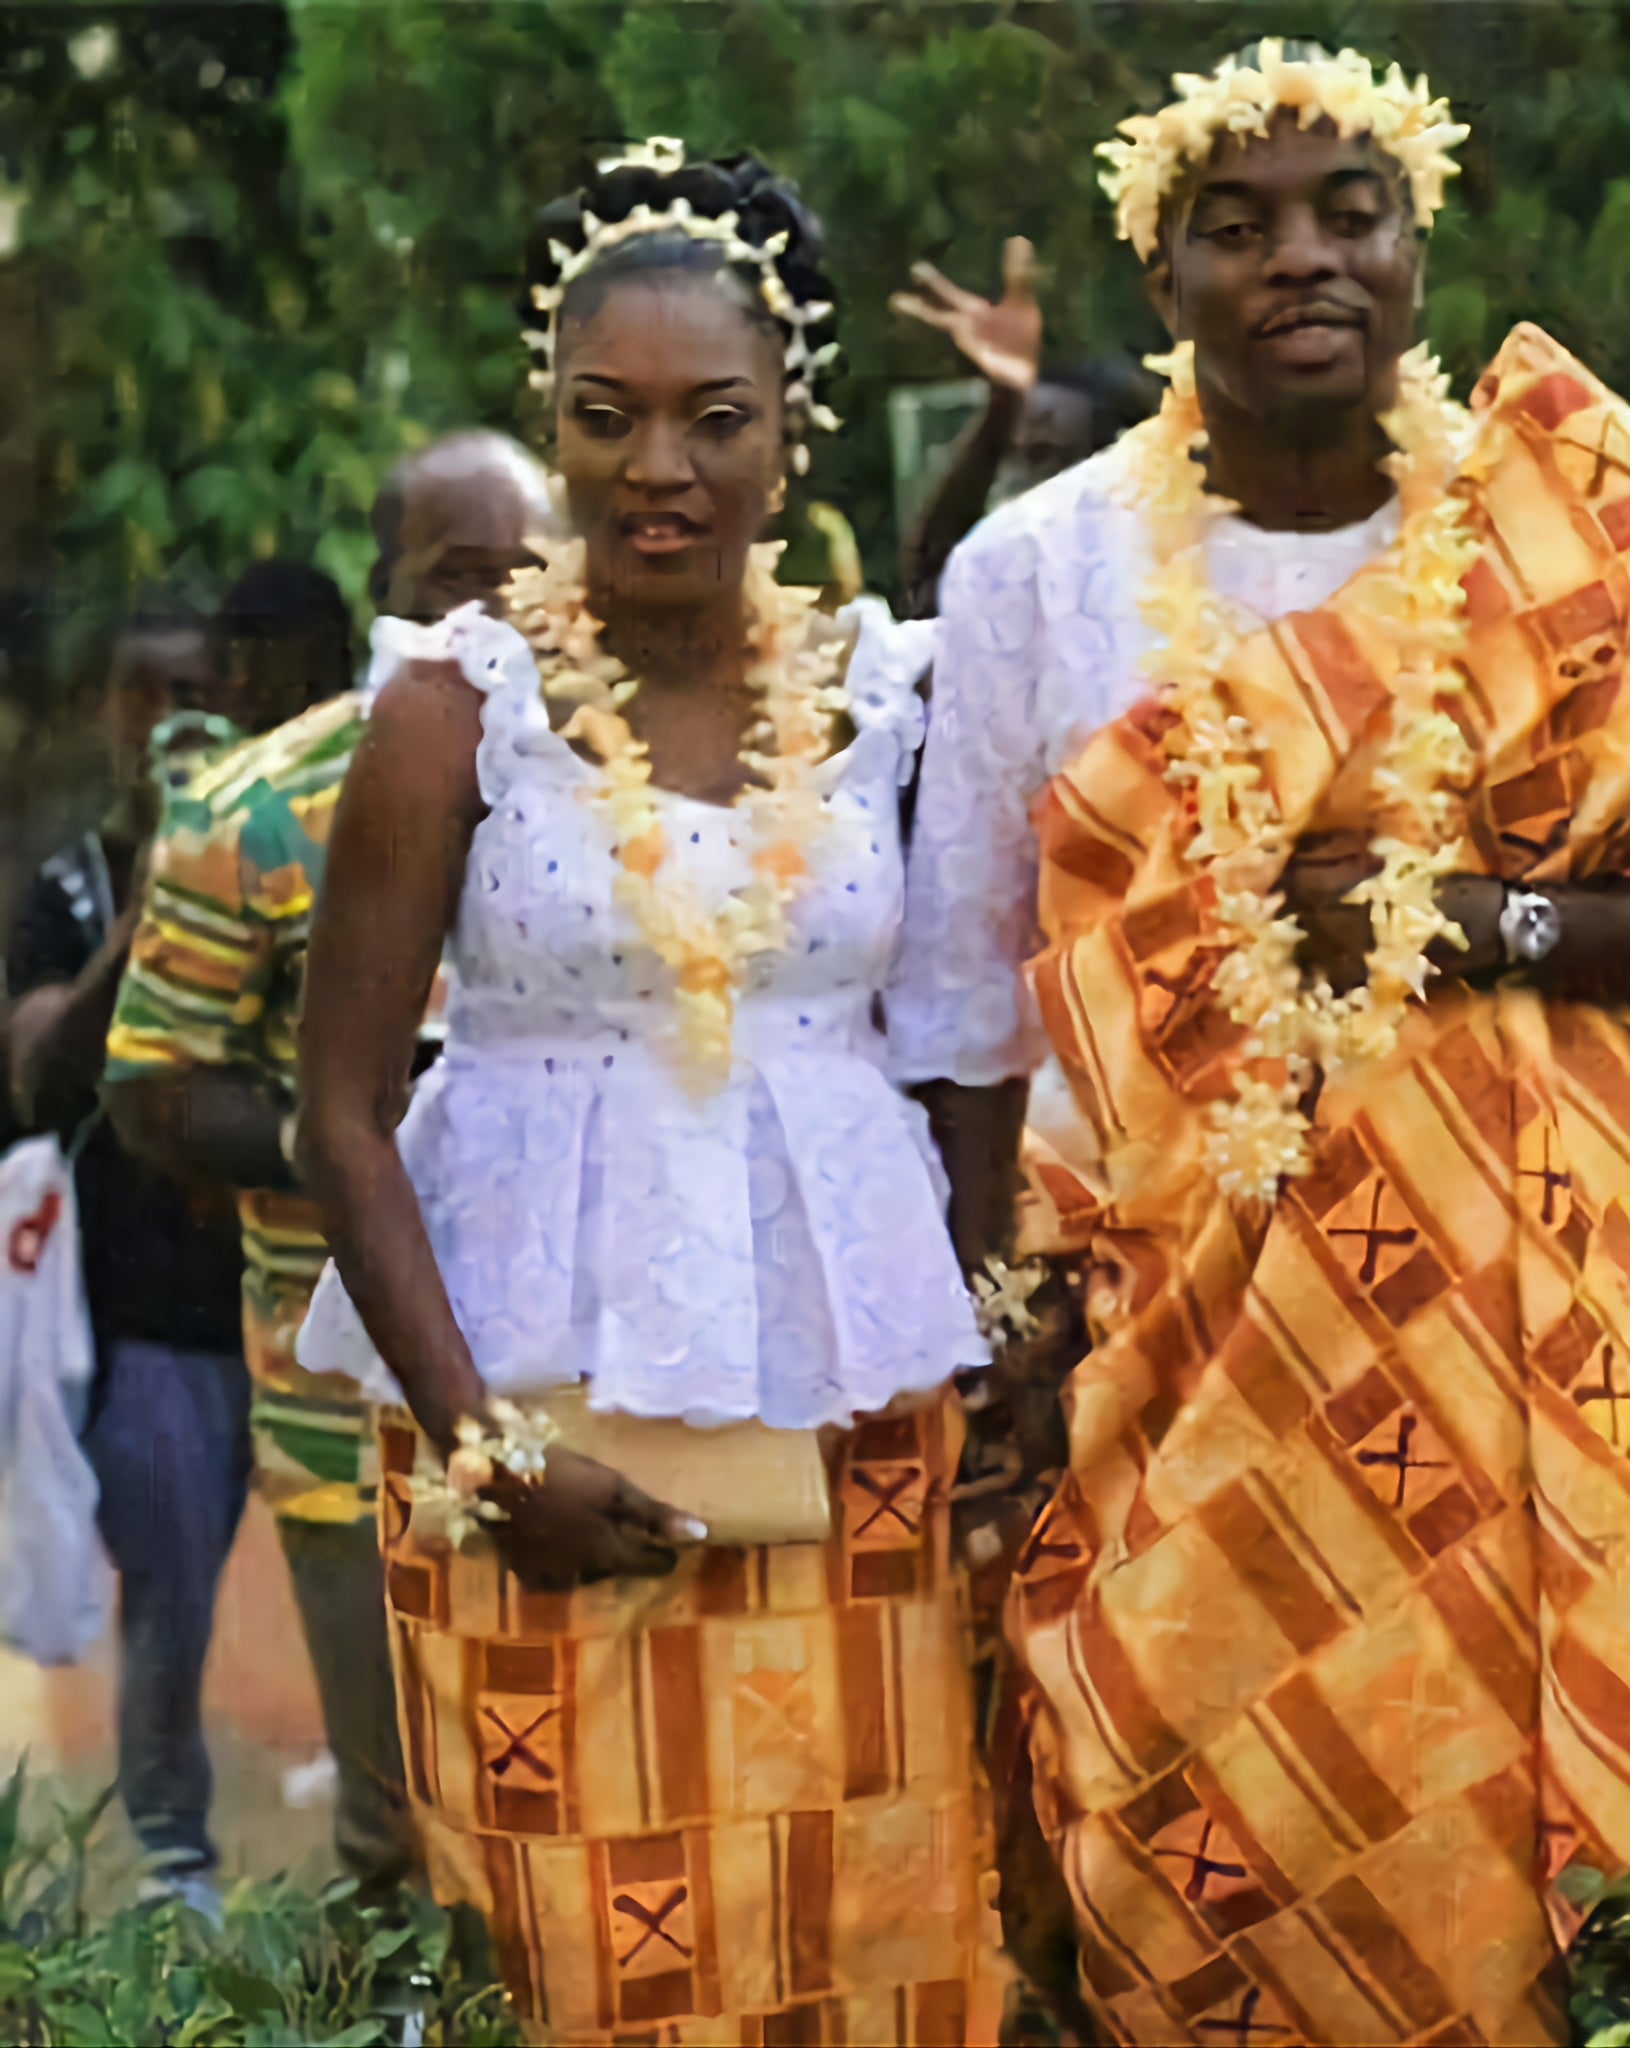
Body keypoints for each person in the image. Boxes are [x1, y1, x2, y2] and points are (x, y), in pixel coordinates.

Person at [893, 42, 1630, 2046]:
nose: (1299, 258)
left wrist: (1480, 922)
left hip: (1504, 1321)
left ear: (1417, 249)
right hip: (1153, 1321)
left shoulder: (1575, 539)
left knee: (1483, 1811)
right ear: (1166, 282)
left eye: (1347, 214)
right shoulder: (1033, 575)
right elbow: (958, 1000)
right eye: (1237, 226)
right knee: (1153, 1785)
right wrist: (989, 1322)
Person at [292, 145, 1004, 2045]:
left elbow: (959, 1047)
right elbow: (341, 1112)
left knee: (865, 1903)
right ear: (554, 426)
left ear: (796, 430)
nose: (657, 468)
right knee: (574, 1937)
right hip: (524, 1412)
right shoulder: (454, 706)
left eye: (715, 419)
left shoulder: (891, 699)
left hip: (849, 1398)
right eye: (604, 420)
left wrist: (1012, 1342)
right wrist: (480, 1448)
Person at [101, 455, 547, 1897]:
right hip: (345, 1417)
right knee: (402, 1836)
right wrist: (344, 1135)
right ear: (386, 592)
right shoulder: (261, 806)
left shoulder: (638, 801)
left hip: (592, 1390)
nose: (497, 609)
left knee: (587, 1824)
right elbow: (150, 1087)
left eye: (525, 574)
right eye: (456, 576)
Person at [5, 598, 250, 1908]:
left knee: (215, 1585)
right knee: (171, 1589)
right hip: (139, 1312)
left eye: (194, 695)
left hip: (280, 1297)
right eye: (140, 694)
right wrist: (144, 907)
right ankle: (172, 1854)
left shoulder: (282, 853)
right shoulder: (64, 886)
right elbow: (40, 1076)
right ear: (107, 711)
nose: (166, 725)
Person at [893, 239, 1151, 618]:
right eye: (1015, 456)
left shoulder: (1145, 589)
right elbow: (931, 586)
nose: (1021, 483)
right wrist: (1004, 403)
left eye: (1045, 457)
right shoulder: (1003, 575)